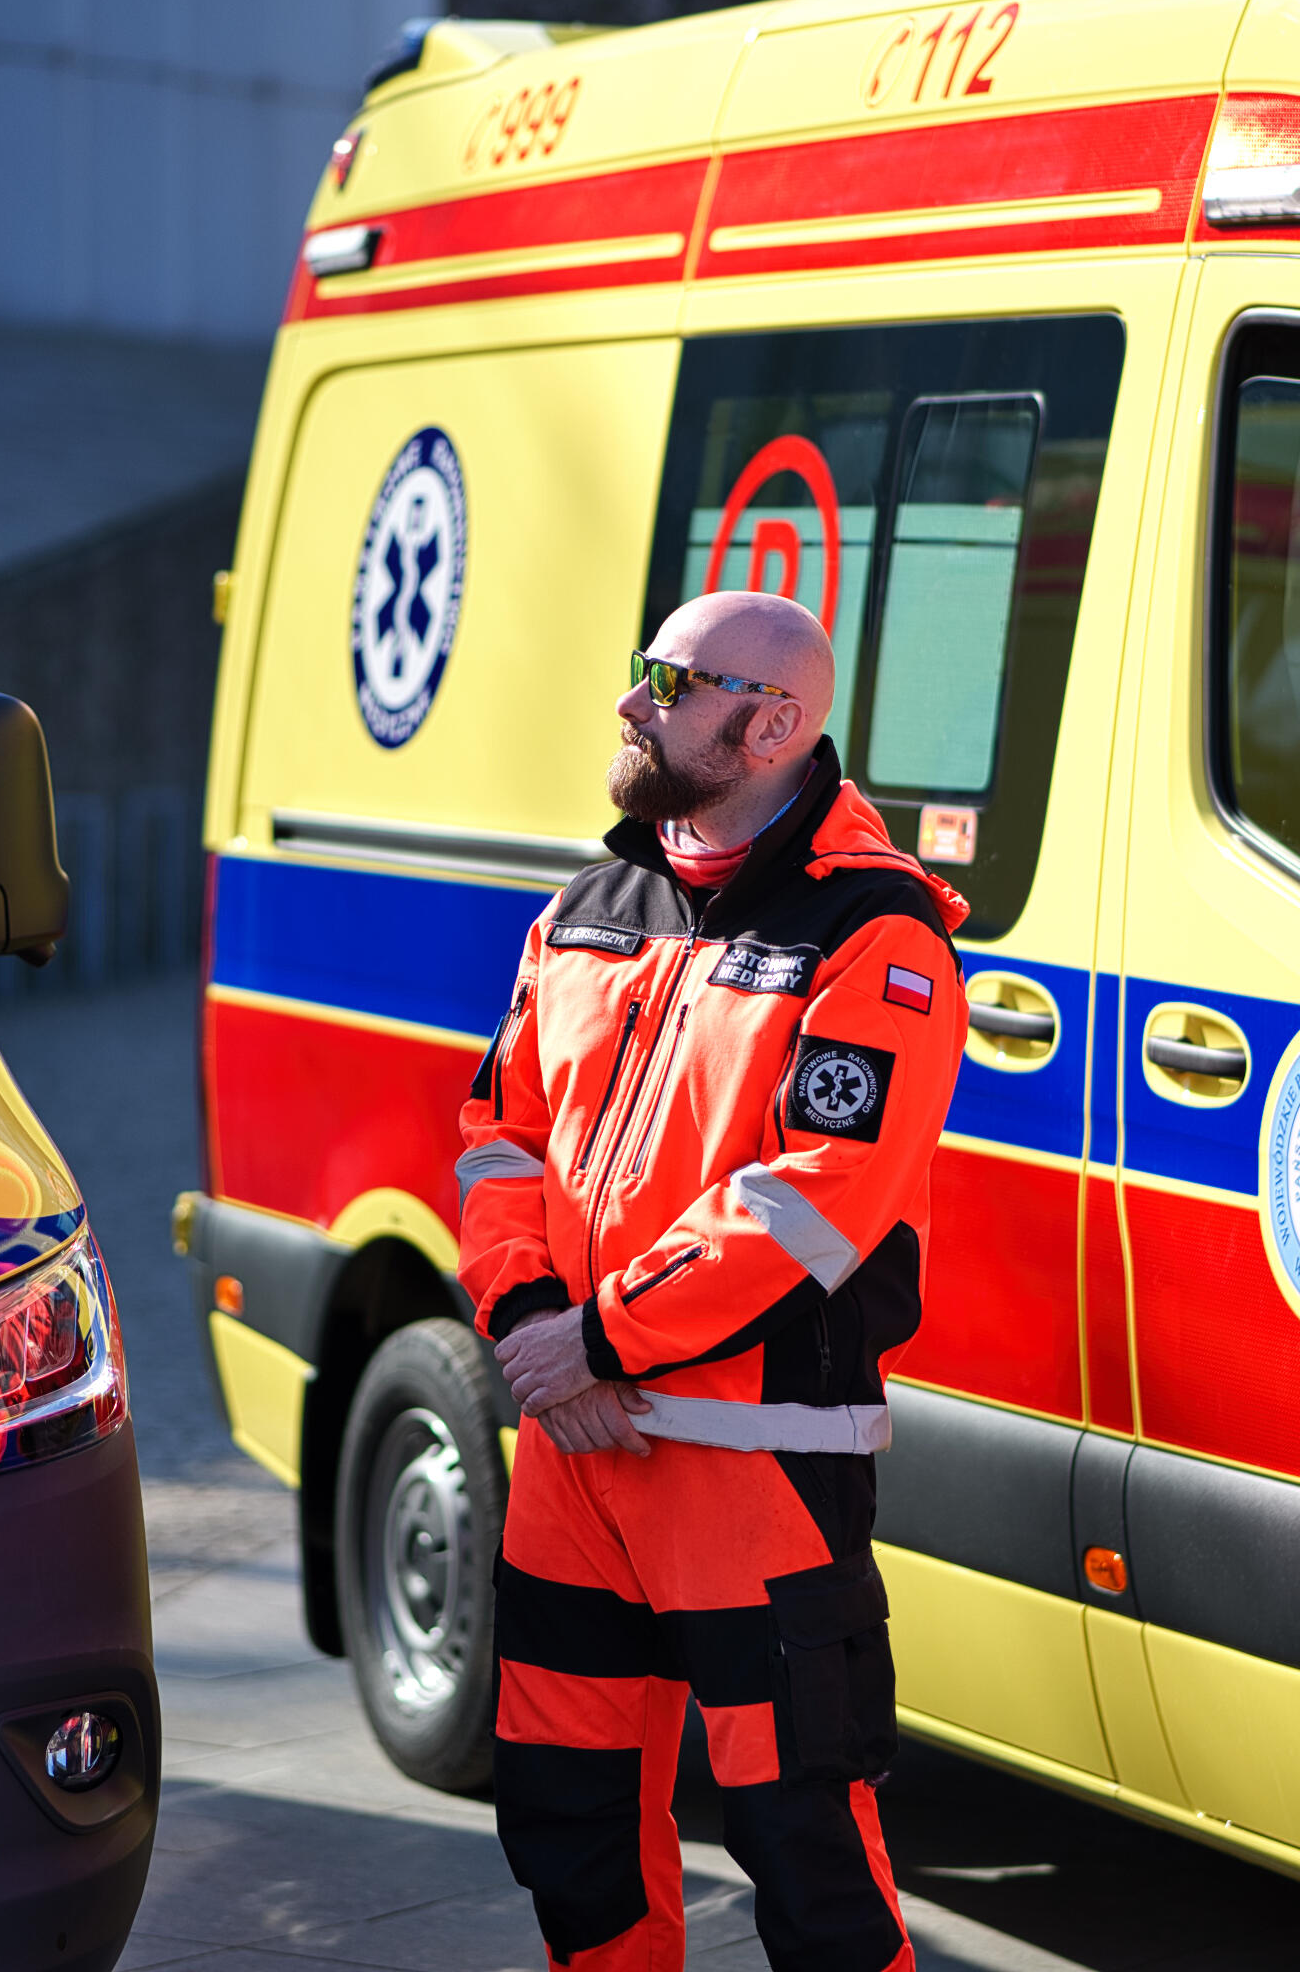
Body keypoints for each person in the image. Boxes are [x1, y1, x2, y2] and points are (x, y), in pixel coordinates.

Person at [455, 589, 968, 1972]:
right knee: (568, 1822)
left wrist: (598, 1345)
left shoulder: (877, 934)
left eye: (671, 682)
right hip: (575, 1455)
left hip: (755, 1472)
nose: (634, 703)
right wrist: (531, 1326)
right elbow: (502, 1140)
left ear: (774, 723)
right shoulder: (587, 908)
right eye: (645, 674)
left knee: (806, 1850)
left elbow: (814, 1199)